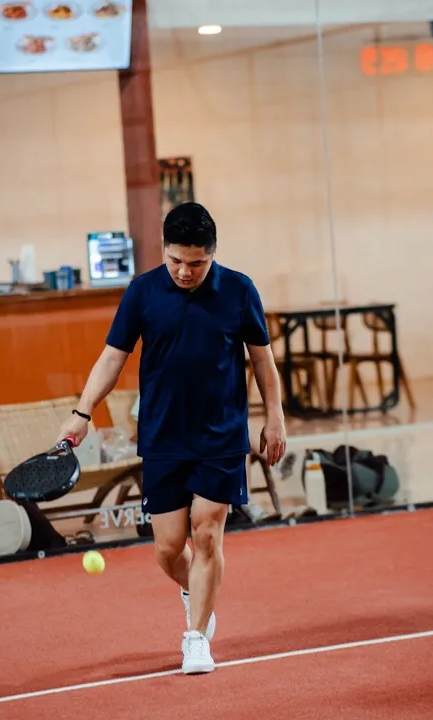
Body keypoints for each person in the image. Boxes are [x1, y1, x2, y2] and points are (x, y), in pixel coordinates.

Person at [58, 202, 286, 675]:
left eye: (196, 263)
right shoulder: (142, 292)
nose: (184, 271)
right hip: (162, 435)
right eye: (176, 260)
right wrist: (82, 412)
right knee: (167, 548)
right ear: (164, 251)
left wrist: (275, 418)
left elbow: (262, 360)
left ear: (213, 254)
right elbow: (112, 358)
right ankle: (195, 591)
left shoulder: (239, 289)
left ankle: (196, 638)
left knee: (207, 533)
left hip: (221, 435)